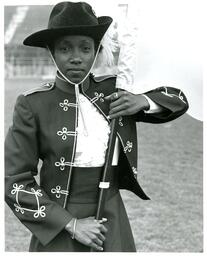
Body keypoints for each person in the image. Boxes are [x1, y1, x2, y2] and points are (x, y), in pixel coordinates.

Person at [5, 1, 189, 252]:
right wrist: (71, 224)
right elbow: (15, 182)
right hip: (60, 221)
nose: (76, 58)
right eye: (65, 48)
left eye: (85, 48)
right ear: (51, 52)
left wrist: (142, 102)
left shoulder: (116, 91)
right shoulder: (32, 104)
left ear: (96, 51)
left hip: (111, 216)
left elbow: (179, 100)